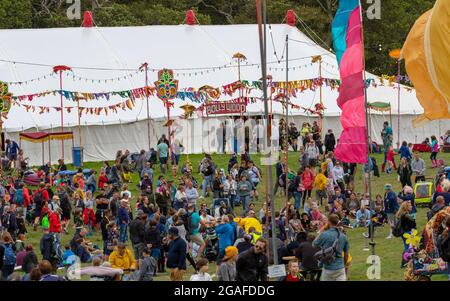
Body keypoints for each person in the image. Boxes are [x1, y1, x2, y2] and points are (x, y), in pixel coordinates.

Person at [313, 214, 350, 281]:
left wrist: (321, 231)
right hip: (340, 267)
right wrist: (343, 265)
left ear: (329, 222)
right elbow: (346, 254)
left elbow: (314, 244)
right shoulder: (343, 236)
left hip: (328, 267)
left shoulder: (324, 234)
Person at [396, 201, 416, 267]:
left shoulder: (402, 214)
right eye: (410, 206)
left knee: (406, 247)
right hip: (407, 232)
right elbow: (413, 225)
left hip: (404, 233)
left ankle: (404, 262)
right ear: (406, 207)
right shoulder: (406, 215)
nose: (411, 206)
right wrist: (413, 220)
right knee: (409, 248)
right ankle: (406, 262)